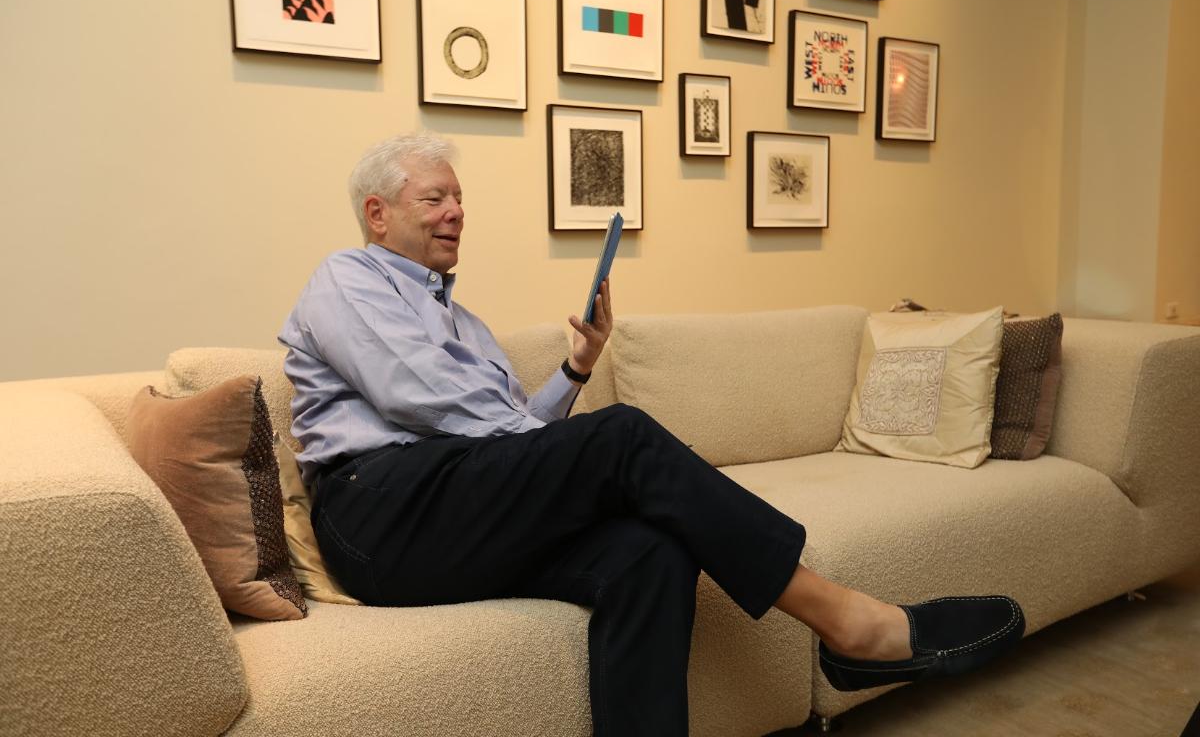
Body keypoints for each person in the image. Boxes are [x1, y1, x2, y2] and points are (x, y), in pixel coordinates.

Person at [279, 132, 1024, 736]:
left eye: (460, 199)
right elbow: (422, 398)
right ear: (378, 214)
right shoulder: (347, 279)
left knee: (650, 551)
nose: (455, 213)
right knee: (622, 436)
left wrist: (575, 370)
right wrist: (572, 450)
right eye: (434, 197)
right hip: (380, 516)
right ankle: (849, 624)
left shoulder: (463, 324)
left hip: (454, 511)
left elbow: (509, 447)